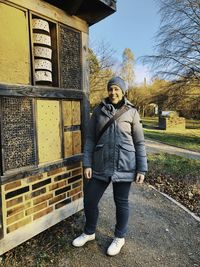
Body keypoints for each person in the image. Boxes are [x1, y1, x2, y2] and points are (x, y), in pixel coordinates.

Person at [72, 76, 148, 256]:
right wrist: (87, 163)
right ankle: (89, 232)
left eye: (116, 89)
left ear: (123, 91)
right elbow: (90, 139)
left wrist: (141, 169)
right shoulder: (98, 111)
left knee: (121, 203)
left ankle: (119, 237)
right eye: (110, 89)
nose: (113, 92)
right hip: (100, 164)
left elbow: (139, 142)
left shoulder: (132, 112)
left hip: (125, 164)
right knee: (90, 200)